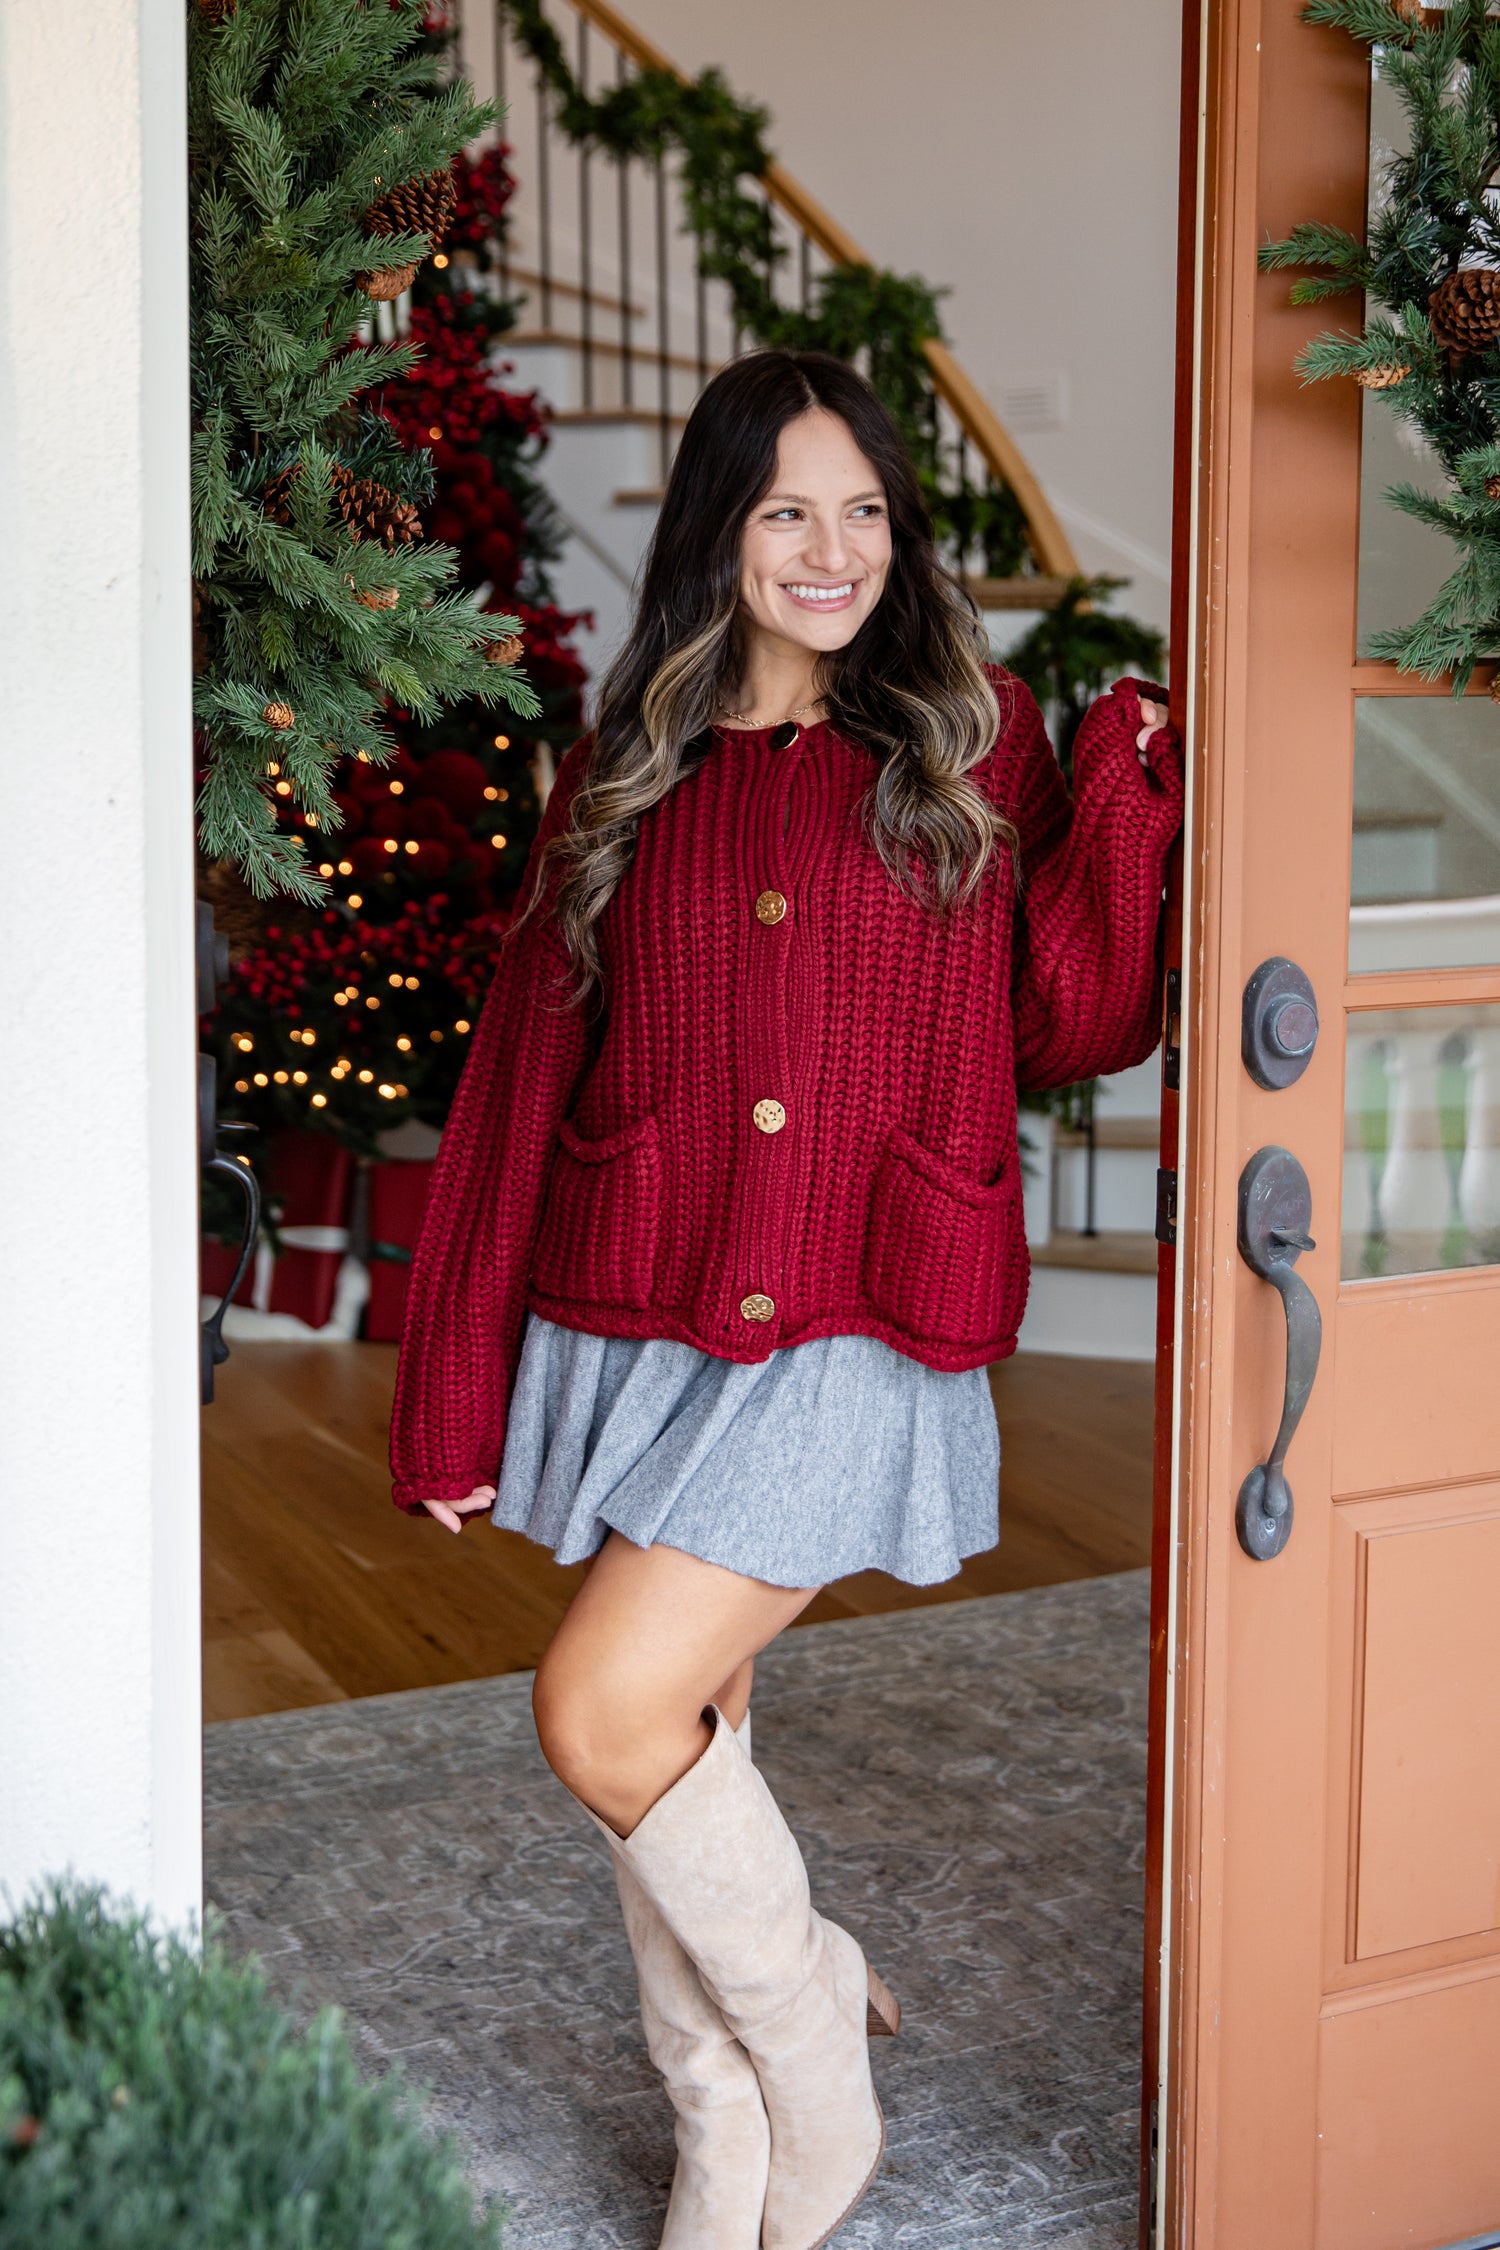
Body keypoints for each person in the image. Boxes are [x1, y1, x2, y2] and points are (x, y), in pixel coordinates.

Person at [389, 349, 1182, 2250]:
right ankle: (717, 2127)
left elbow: (1071, 1013)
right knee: (691, 1721)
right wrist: (449, 1390)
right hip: (639, 1294)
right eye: (784, 511)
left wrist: (1133, 789)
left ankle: (816, 2059)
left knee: (601, 1706)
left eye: (863, 512)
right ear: (718, 534)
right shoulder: (631, 763)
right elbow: (518, 1078)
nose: (831, 550)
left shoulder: (965, 742)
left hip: (853, 1311)